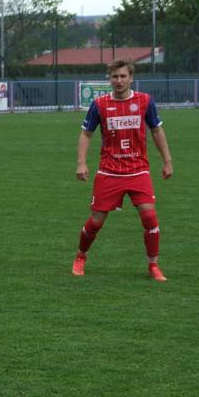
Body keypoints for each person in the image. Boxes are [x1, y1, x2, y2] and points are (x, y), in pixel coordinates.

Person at [72, 59, 173, 281]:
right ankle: (81, 257)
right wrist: (81, 162)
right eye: (114, 77)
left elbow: (156, 131)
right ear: (109, 79)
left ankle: (153, 266)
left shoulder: (144, 101)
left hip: (138, 170)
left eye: (123, 76)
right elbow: (86, 133)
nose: (119, 80)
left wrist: (167, 160)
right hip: (109, 171)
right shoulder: (99, 105)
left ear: (131, 78)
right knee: (96, 222)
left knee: (150, 218)